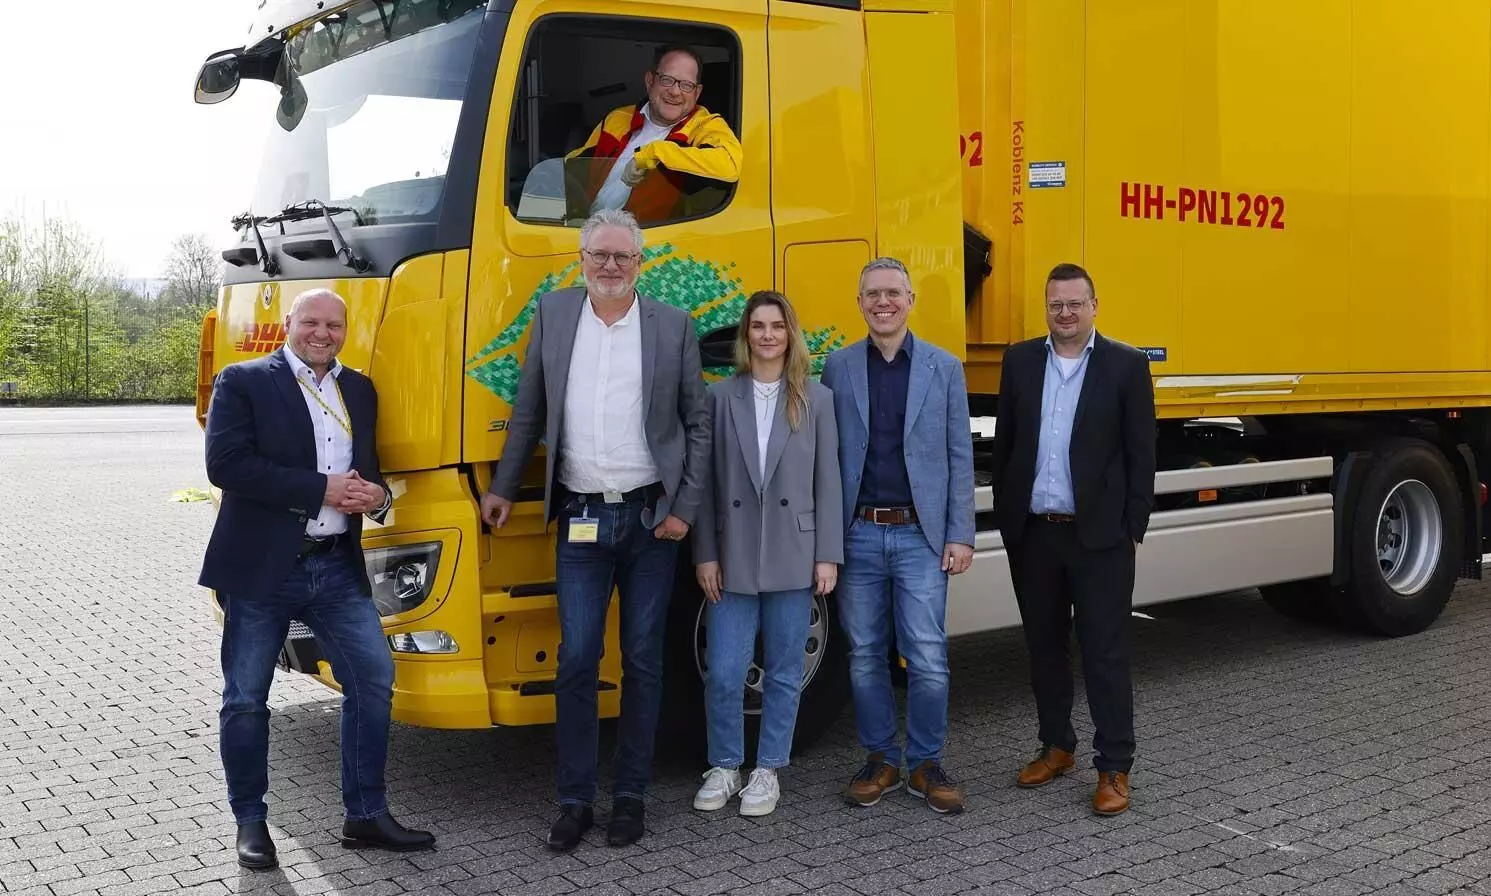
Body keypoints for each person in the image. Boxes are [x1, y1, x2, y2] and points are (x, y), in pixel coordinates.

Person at [479, 207, 710, 851]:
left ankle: (631, 796)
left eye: (623, 257)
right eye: (599, 256)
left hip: (650, 520)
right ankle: (575, 800)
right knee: (577, 658)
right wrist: (503, 487)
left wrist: (683, 509)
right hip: (579, 516)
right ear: (580, 260)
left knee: (642, 660)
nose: (611, 266)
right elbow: (528, 408)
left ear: (641, 264)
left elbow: (697, 426)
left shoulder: (673, 325)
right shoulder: (554, 315)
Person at [199, 288, 435, 870]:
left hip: (334, 565)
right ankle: (250, 823)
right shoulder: (244, 379)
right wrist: (319, 489)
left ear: (345, 330)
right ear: (289, 323)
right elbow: (225, 465)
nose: (322, 333)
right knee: (247, 699)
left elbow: (370, 469)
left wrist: (375, 496)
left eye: (333, 324)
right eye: (311, 322)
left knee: (374, 681)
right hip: (262, 568)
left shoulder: (358, 388)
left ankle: (365, 814)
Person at [989, 262, 1157, 816]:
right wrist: (1008, 519)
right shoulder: (1018, 362)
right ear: (1047, 308)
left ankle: (1114, 766)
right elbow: (1007, 447)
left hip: (1099, 539)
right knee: (1043, 649)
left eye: (1075, 303)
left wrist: (1133, 525)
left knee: (1105, 653)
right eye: (1055, 304)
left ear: (1094, 305)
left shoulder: (1126, 366)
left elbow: (1141, 454)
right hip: (1035, 533)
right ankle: (1057, 745)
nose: (1065, 313)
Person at [819, 257, 976, 815]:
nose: (882, 302)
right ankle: (881, 757)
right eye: (871, 294)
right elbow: (825, 457)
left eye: (892, 293)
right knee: (863, 656)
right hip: (858, 534)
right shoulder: (837, 367)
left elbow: (960, 454)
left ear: (910, 300)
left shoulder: (944, 367)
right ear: (859, 303)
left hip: (920, 537)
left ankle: (927, 763)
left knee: (928, 657)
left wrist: (961, 534)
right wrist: (825, 545)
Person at [690, 290, 843, 817]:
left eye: (778, 325)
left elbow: (830, 482)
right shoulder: (719, 397)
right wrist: (704, 554)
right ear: (746, 335)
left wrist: (828, 555)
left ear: (790, 333)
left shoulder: (815, 399)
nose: (768, 335)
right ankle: (725, 764)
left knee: (783, 670)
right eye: (758, 326)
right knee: (726, 671)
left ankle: (767, 768)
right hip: (732, 554)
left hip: (794, 551)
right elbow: (705, 485)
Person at [565, 44, 742, 224]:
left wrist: (654, 153)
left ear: (697, 93)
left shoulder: (704, 126)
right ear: (650, 81)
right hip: (588, 230)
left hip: (647, 242)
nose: (675, 92)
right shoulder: (617, 118)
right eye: (667, 79)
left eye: (686, 85)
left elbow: (730, 164)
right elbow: (577, 166)